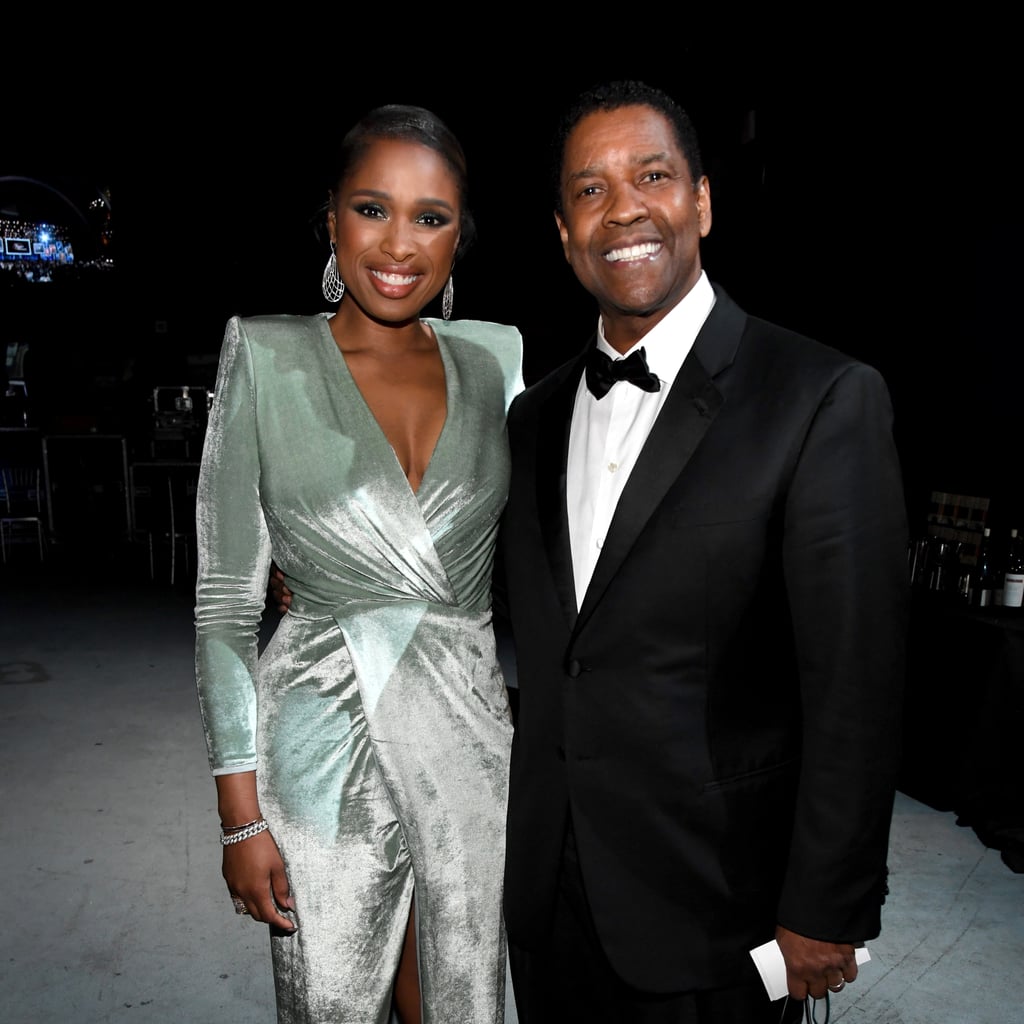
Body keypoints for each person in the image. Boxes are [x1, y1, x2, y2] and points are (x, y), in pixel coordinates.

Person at [496, 80, 910, 1023]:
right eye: (590, 190)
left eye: (653, 175)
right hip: (549, 900)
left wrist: (827, 904)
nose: (625, 208)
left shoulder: (819, 397)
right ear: (563, 232)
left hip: (718, 908)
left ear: (703, 203)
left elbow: (857, 682)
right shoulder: (533, 418)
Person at [194, 103, 523, 1024]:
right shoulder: (264, 354)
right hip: (320, 749)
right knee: (331, 1001)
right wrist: (241, 815)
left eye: (432, 216)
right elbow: (223, 609)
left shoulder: (500, 360)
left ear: (462, 236)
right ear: (330, 218)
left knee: (459, 995)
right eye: (372, 208)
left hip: (470, 744)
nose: (400, 243)